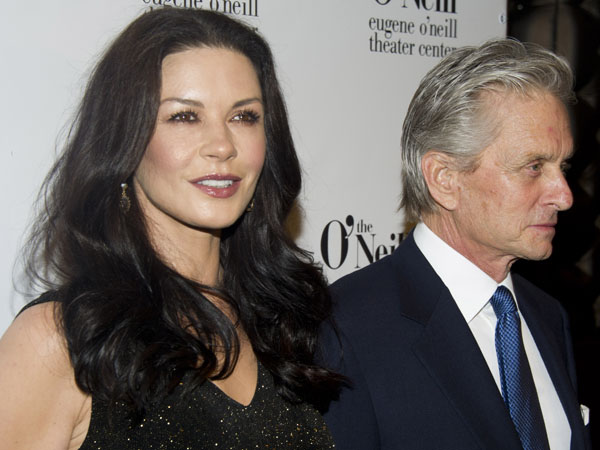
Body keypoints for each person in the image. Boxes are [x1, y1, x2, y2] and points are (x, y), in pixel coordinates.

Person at [0, 8, 342, 449]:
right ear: (125, 139)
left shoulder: (281, 326)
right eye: (184, 116)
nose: (222, 145)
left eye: (244, 116)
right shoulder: (59, 341)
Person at [320, 38, 591, 450]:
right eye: (534, 167)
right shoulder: (344, 329)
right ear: (444, 179)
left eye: (563, 166)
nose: (565, 196)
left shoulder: (547, 315)